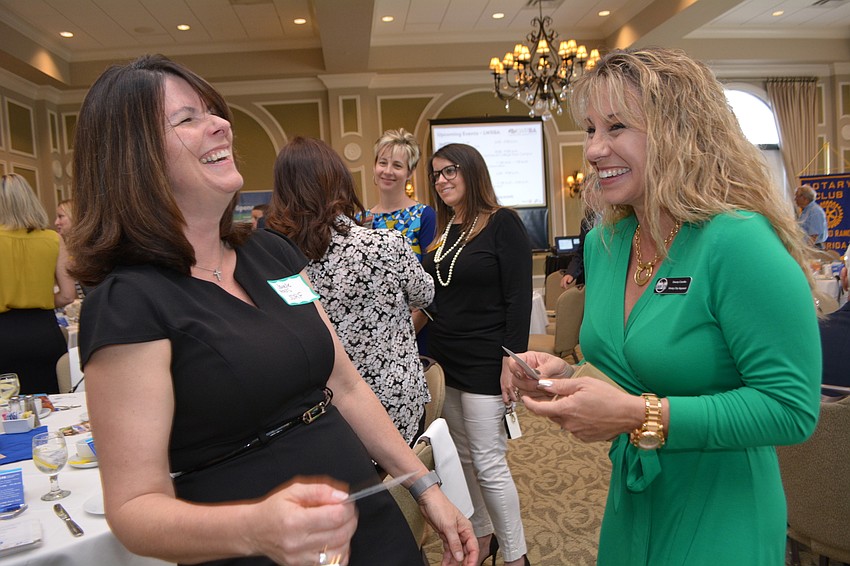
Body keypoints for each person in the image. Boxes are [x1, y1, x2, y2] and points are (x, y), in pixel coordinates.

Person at [69, 54, 477, 566]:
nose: (221, 124)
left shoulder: (273, 256)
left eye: (213, 111)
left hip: (354, 503)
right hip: (246, 539)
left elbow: (345, 384)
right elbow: (133, 509)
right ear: (134, 158)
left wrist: (424, 486)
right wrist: (256, 529)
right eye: (188, 118)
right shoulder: (127, 302)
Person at [508, 47, 821, 566]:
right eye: (589, 130)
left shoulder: (738, 243)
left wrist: (640, 414)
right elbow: (628, 371)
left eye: (616, 127)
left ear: (680, 130)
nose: (593, 150)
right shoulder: (607, 245)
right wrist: (567, 372)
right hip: (633, 503)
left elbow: (791, 409)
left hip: (723, 509)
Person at [265, 136, 435, 445]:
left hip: (322, 413)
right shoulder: (386, 243)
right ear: (340, 182)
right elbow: (426, 295)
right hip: (394, 403)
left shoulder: (277, 264)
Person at [422, 143, 532, 566]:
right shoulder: (445, 231)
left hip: (489, 358)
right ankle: (484, 539)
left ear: (472, 172)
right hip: (448, 357)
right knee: (464, 461)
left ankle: (517, 557)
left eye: (450, 171)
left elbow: (518, 296)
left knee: (489, 461)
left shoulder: (503, 223)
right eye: (436, 174)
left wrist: (513, 359)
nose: (442, 180)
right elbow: (434, 301)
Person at [0, 174, 76, 394]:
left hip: (3, 335)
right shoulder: (52, 239)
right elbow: (68, 295)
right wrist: (38, 298)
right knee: (51, 406)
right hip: (44, 332)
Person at [360, 128, 437, 260]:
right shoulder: (361, 219)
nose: (388, 171)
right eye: (383, 163)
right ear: (374, 166)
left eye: (397, 165)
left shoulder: (425, 216)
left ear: (410, 172)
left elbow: (431, 272)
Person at [795, 184, 828, 248]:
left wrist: (807, 251)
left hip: (813, 248)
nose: (795, 199)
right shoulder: (806, 211)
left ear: (805, 199)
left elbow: (814, 236)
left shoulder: (815, 211)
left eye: (797, 197)